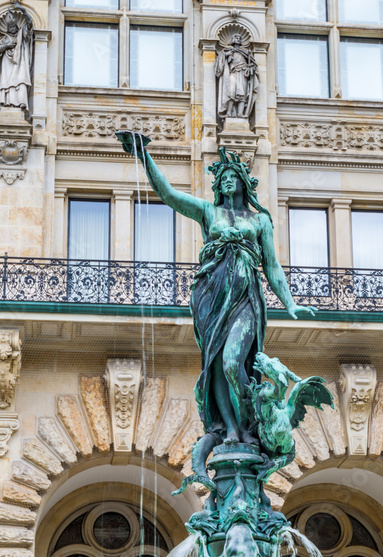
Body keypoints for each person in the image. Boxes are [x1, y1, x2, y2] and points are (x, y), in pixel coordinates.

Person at [118, 133, 314, 446]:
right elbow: (168, 194)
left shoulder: (259, 220)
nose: (227, 181)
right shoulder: (209, 212)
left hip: (246, 297)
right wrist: (144, 155)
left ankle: (249, 421)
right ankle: (231, 428)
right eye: (222, 178)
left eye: (232, 176)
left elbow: (272, 265)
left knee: (233, 362)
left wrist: (289, 303)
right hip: (211, 295)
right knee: (216, 364)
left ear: (243, 183)